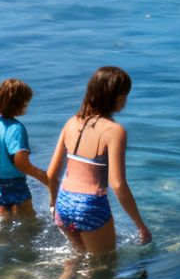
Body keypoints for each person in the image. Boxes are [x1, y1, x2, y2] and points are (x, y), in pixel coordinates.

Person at [46, 66, 152, 254]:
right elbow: (118, 184)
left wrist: (54, 205)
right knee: (104, 265)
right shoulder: (114, 131)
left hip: (64, 203)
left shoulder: (71, 122)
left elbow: (52, 174)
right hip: (90, 206)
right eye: (125, 95)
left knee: (79, 259)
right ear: (117, 97)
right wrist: (140, 225)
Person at [0, 78, 53, 218]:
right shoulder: (16, 128)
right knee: (29, 222)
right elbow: (21, 163)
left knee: (1, 219)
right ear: (20, 104)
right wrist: (44, 177)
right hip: (15, 184)